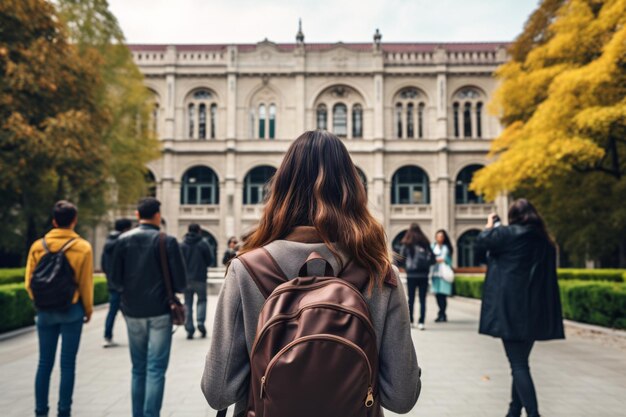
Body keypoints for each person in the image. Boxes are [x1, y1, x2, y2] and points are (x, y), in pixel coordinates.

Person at [201, 130, 421, 416]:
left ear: (281, 190)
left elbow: (218, 393)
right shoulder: (380, 273)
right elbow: (401, 397)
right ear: (352, 190)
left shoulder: (247, 270)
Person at [476, 199, 564, 417]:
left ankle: (534, 414)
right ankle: (514, 410)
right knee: (521, 362)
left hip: (511, 309)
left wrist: (489, 225)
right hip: (536, 309)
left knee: (518, 364)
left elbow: (482, 241)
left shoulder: (508, 234)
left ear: (513, 215)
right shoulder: (544, 240)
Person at [110, 197, 187, 417]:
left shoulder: (122, 241)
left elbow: (114, 280)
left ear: (137, 215)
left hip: (132, 312)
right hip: (161, 311)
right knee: (156, 369)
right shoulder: (167, 241)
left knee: (138, 368)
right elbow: (181, 283)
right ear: (157, 215)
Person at [25, 200, 94, 417]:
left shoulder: (38, 246)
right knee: (67, 365)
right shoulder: (82, 247)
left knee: (44, 362)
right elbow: (85, 283)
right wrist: (88, 310)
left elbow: (29, 282)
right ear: (74, 220)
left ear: (54, 221)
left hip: (45, 311)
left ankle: (40, 411)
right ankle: (64, 411)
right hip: (72, 311)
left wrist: (41, 301)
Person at [396, 223, 435, 330]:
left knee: (411, 299)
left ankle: (411, 321)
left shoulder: (407, 243)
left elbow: (400, 259)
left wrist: (405, 267)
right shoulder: (425, 243)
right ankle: (421, 322)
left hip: (411, 275)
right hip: (423, 275)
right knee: (423, 299)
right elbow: (433, 259)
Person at [101, 218, 132, 348]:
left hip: (112, 283)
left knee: (113, 312)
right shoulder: (124, 242)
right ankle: (136, 337)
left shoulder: (108, 243)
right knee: (130, 312)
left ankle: (107, 336)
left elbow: (103, 264)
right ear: (125, 229)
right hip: (124, 284)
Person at [180, 223, 213, 339]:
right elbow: (210, 260)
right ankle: (200, 322)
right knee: (202, 301)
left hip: (186, 279)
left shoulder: (182, 244)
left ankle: (189, 329)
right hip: (200, 278)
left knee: (187, 303)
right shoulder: (203, 243)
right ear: (199, 230)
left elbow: (178, 262)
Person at [430, 229, 453, 322]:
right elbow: (430, 257)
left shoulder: (447, 247)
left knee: (443, 295)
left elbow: (449, 260)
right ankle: (441, 313)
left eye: (442, 236)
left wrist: (443, 260)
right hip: (435, 273)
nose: (440, 238)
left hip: (444, 273)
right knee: (437, 295)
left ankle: (442, 314)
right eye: (438, 236)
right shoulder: (432, 246)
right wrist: (436, 260)